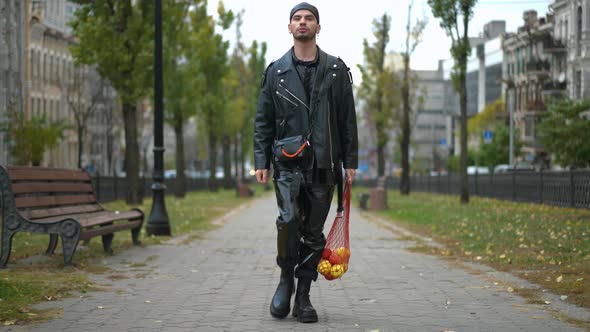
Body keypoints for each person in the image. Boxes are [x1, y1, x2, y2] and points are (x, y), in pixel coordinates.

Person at [253, 2, 358, 324]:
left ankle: (304, 295)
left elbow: (347, 120)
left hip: (324, 163)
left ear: (318, 27)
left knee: (313, 232)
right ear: (289, 27)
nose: (302, 23)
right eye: (297, 18)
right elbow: (263, 121)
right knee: (287, 221)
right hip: (286, 161)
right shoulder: (275, 71)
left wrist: (350, 161)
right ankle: (285, 278)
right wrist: (260, 159)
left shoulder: (337, 70)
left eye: (309, 18)